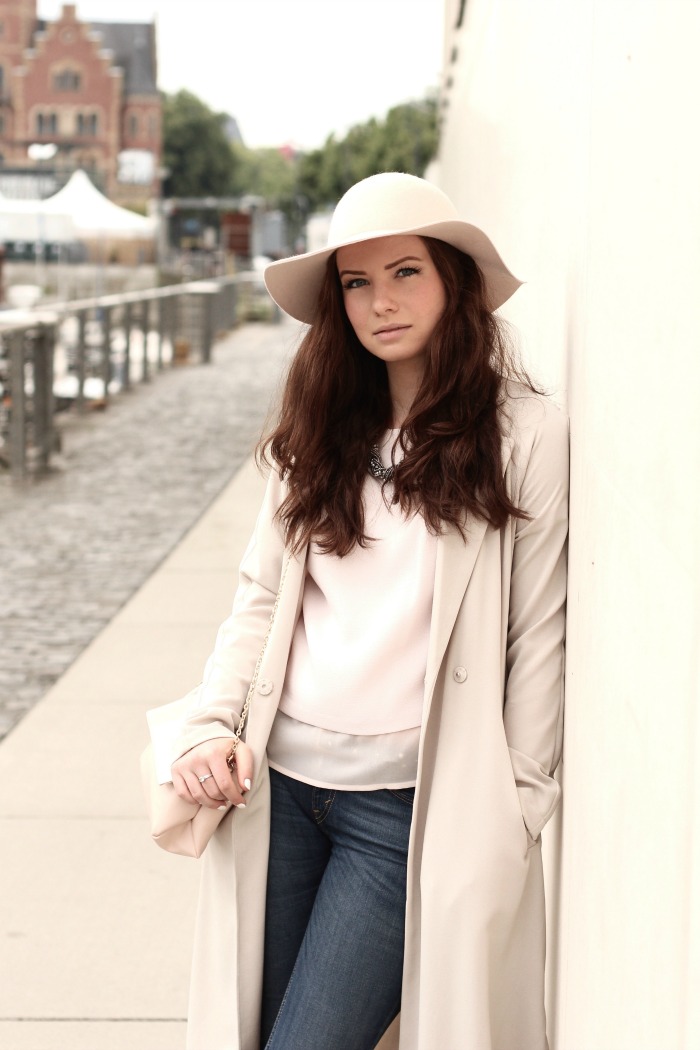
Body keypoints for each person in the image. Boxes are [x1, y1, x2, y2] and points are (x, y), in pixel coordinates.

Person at [169, 172, 569, 1050]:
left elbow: (538, 634)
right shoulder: (318, 430)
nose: (380, 302)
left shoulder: (522, 436)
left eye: (405, 273)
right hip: (277, 793)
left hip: (404, 816)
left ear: (452, 280)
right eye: (356, 282)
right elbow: (262, 597)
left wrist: (517, 806)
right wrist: (209, 725)